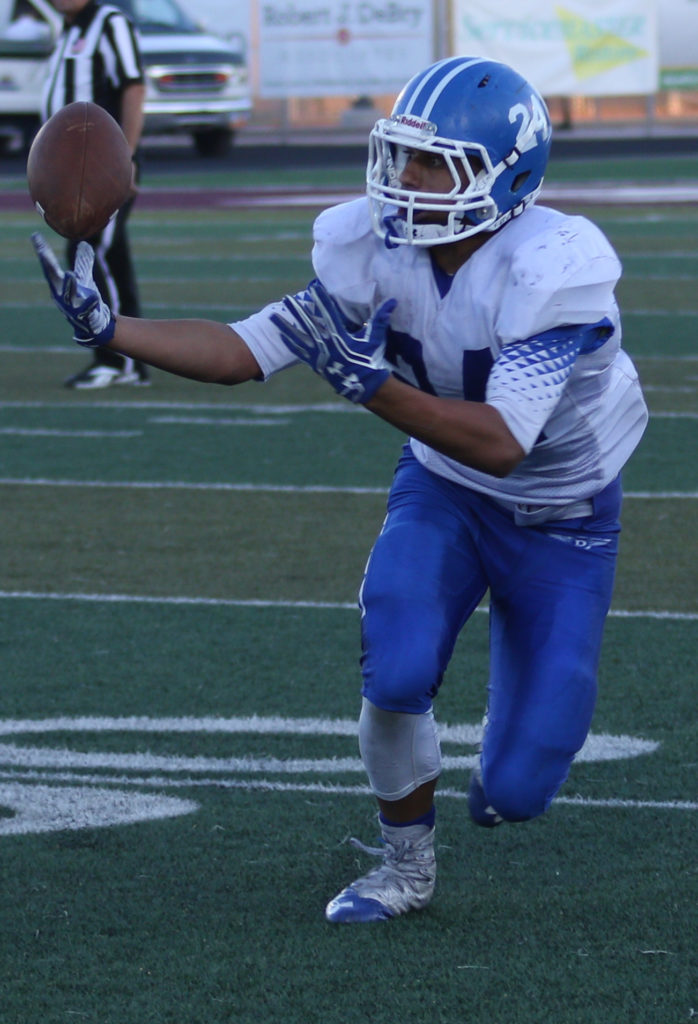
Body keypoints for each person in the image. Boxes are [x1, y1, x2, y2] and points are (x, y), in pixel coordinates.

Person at [32, 56, 648, 922]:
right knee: (393, 667)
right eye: (403, 156)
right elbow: (246, 349)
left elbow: (505, 443)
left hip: (564, 516)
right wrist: (113, 329)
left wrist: (375, 389)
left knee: (516, 788)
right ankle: (405, 866)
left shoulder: (552, 266)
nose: (407, 179)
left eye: (435, 163)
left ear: (506, 176)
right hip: (444, 490)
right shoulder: (372, 248)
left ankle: (515, 750)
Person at [42, 0, 149, 389]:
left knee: (93, 253)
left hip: (101, 165)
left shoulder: (108, 22)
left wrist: (127, 155)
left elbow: (133, 86)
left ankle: (118, 359)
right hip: (78, 168)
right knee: (108, 254)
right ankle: (130, 361)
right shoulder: (70, 28)